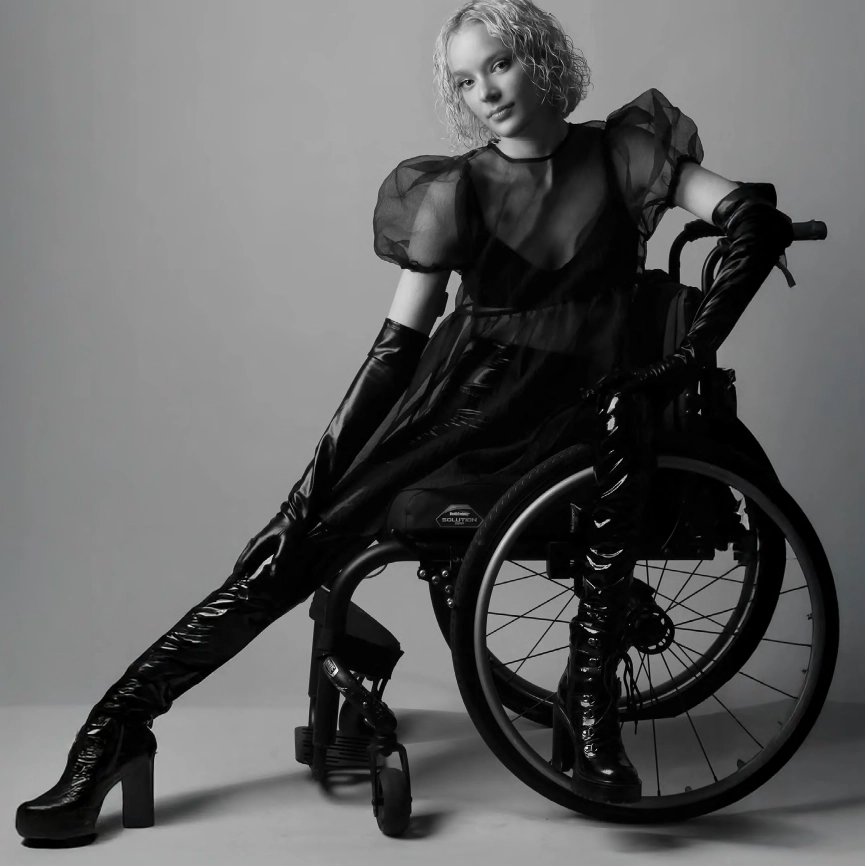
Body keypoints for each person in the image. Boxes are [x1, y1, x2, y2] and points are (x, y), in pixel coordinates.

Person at [15, 0, 795, 844]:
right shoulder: (455, 189)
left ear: (538, 58)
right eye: (464, 79)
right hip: (475, 409)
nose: (484, 90)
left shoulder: (623, 150)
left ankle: (592, 694)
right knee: (294, 547)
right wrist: (304, 496)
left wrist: (684, 360)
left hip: (596, 411)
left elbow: (752, 217)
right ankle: (116, 725)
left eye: (497, 64)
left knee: (625, 423)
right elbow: (393, 353)